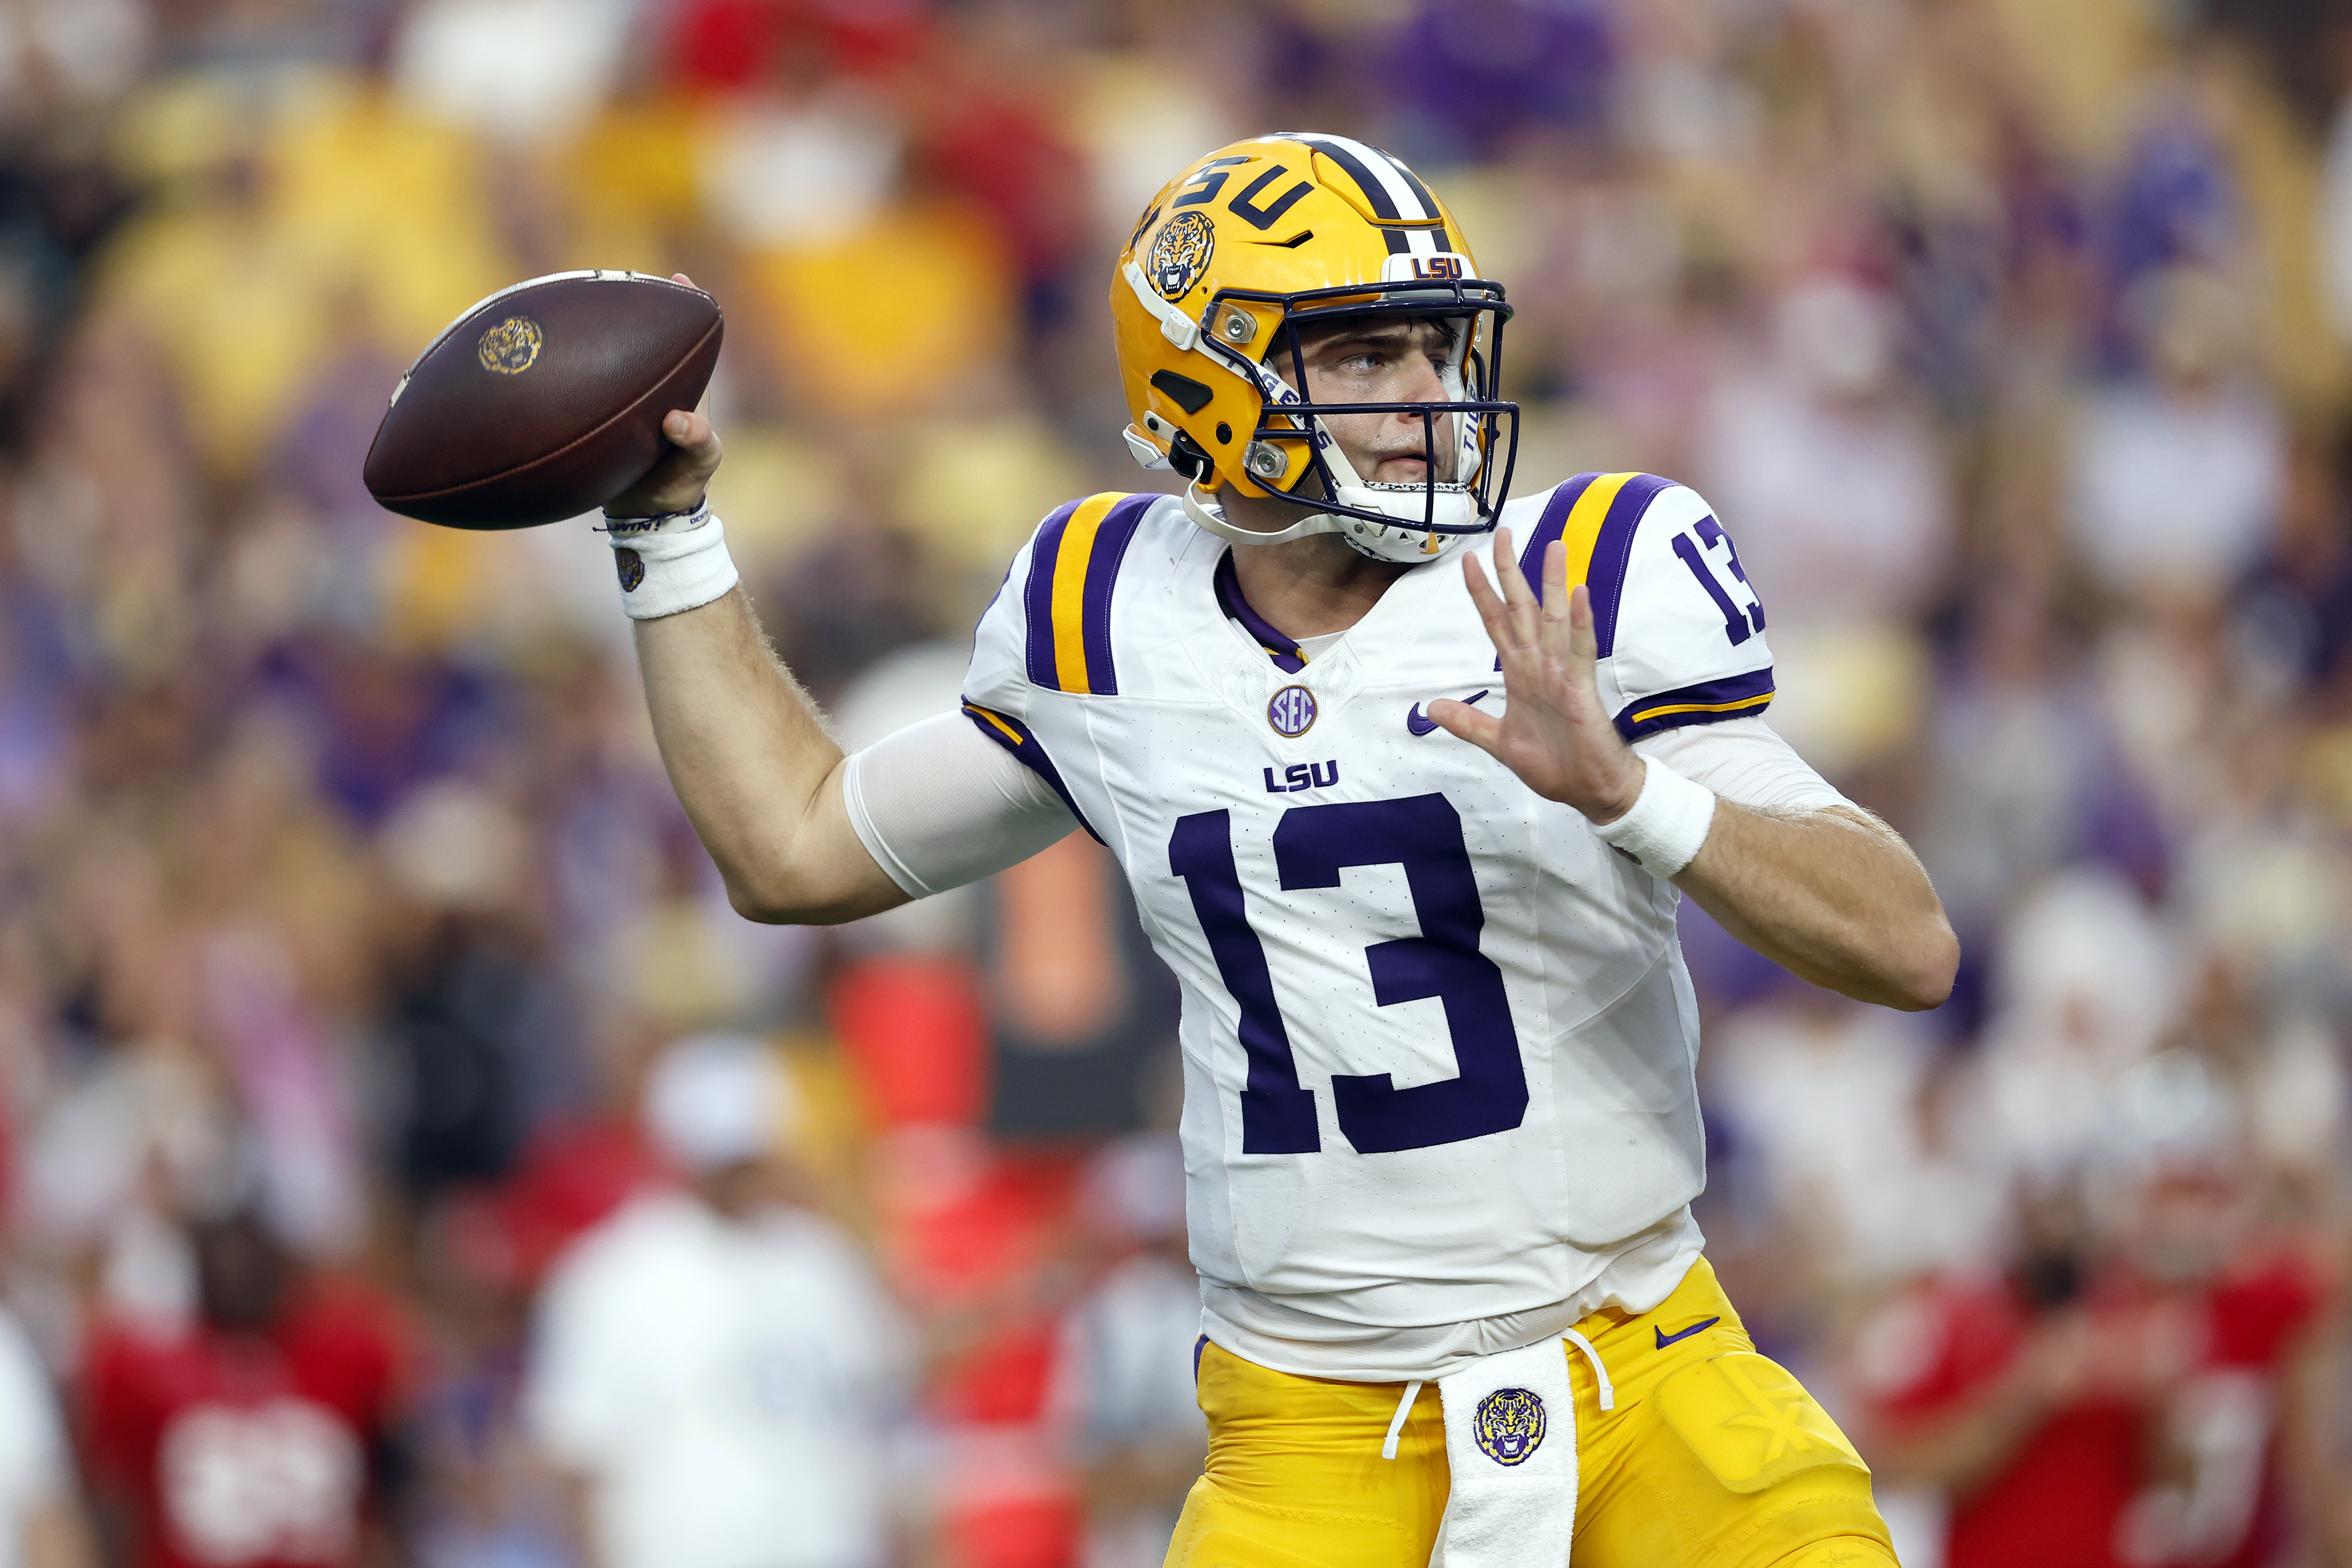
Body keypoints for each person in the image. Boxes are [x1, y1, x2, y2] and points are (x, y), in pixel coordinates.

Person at [598, 133, 1956, 1567]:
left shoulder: (1583, 572)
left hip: (1648, 1376)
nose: (1430, 397)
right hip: (1310, 1432)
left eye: (1437, 348)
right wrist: (666, 532)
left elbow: (1907, 942)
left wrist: (1631, 794)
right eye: (1365, 357)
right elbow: (796, 848)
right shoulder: (1104, 611)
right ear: (1203, 387)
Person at [520, 1033, 913, 1568]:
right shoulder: (613, 1275)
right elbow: (577, 1462)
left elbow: (881, 1401)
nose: (740, 1171)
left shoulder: (819, 1258)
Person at [81, 1212, 410, 1568]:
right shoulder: (141, 1367)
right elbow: (109, 1495)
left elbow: (389, 1491)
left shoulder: (352, 1354)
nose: (239, 1268)